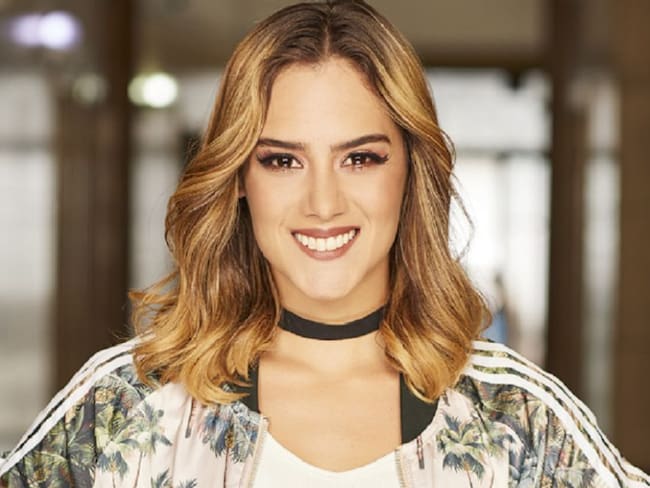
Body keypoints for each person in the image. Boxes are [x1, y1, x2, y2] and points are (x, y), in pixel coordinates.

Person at [1, 1, 648, 486]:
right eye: (282, 160)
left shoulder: (517, 418)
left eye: (360, 158)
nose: (323, 202)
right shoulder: (126, 403)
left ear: (410, 171)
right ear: (240, 178)